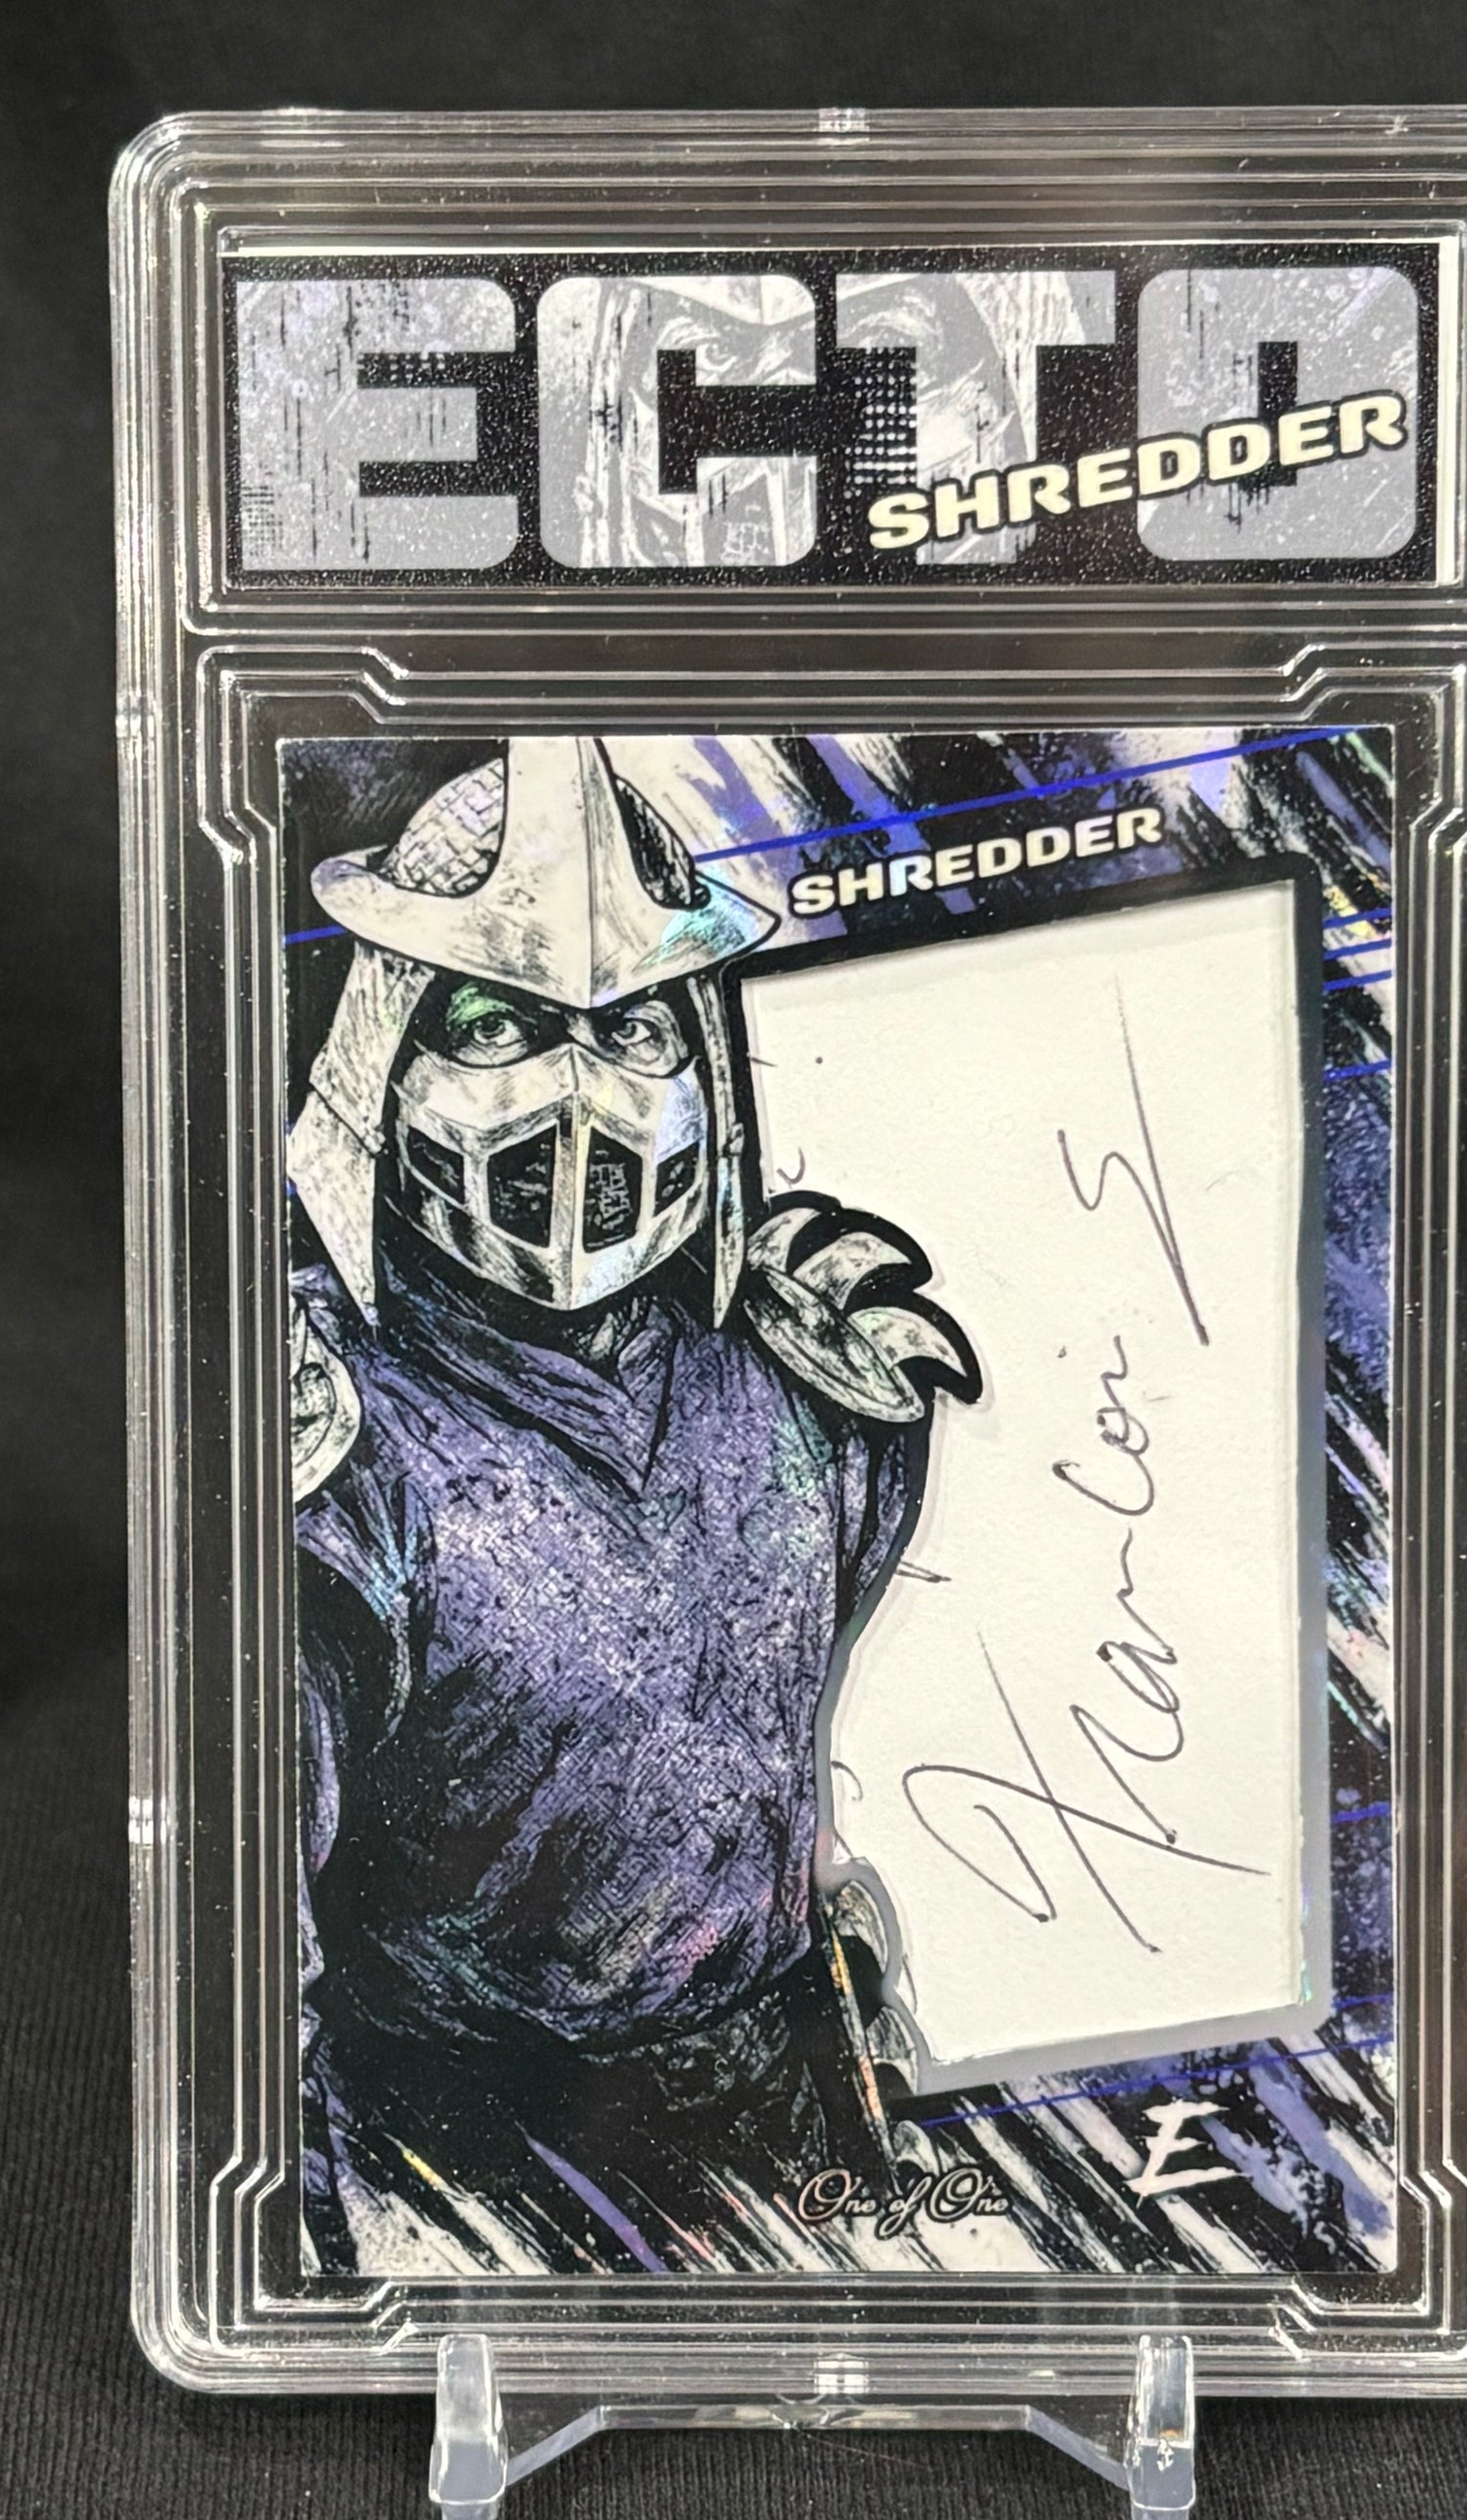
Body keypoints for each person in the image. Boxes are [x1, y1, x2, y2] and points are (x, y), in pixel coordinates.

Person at [285, 737, 976, 2273]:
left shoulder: (800, 1382)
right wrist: (324, 2242)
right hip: (460, 2150)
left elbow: (780, 1737)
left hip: (783, 2107)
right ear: (383, 1054)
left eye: (634, 1029)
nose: (579, 1094)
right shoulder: (335, 1453)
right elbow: (253, 1936)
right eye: (495, 1024)